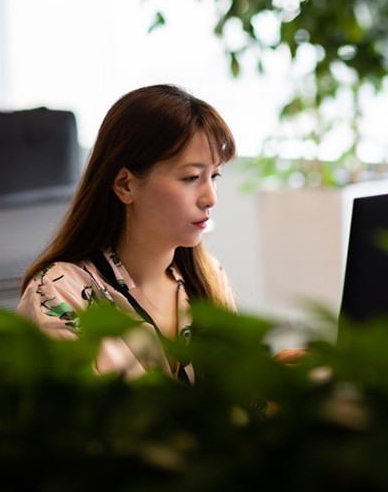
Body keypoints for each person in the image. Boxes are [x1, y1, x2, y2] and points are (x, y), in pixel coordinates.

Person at [18, 84, 237, 381]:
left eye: (214, 176)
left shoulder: (208, 276)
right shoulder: (58, 292)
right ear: (125, 185)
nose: (210, 197)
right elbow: (70, 423)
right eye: (191, 177)